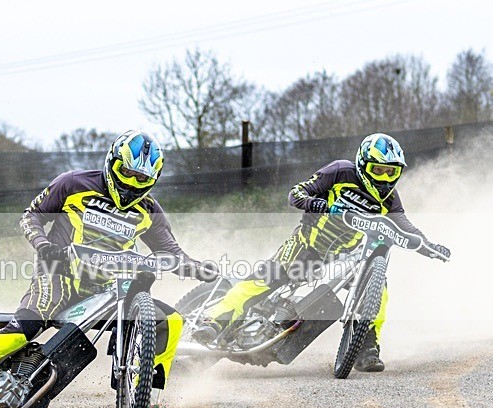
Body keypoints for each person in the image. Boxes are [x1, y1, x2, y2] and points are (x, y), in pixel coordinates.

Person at [0, 130, 214, 408]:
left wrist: (198, 269)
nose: (131, 184)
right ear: (111, 162)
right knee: (26, 329)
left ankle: (145, 402)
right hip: (58, 276)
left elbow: (172, 254)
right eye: (125, 173)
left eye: (142, 179)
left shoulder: (149, 210)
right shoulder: (73, 183)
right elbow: (30, 216)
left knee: (171, 320)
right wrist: (44, 246)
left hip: (107, 292)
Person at [193, 133, 451, 372]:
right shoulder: (340, 171)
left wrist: (428, 245)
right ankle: (213, 322)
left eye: (390, 172)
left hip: (344, 257)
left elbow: (404, 226)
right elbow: (296, 193)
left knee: (379, 287)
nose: (384, 178)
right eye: (378, 170)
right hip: (307, 246)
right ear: (362, 164)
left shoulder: (390, 198)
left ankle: (367, 347)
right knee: (261, 282)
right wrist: (315, 202)